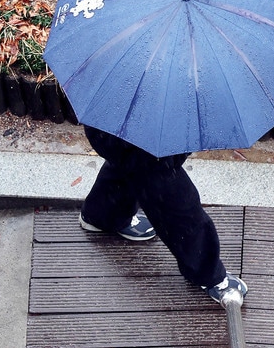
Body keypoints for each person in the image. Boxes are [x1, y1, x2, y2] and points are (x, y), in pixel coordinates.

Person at [79, 125, 245, 304]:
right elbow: (180, 211)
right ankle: (208, 274)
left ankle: (103, 215)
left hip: (111, 126)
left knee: (126, 154)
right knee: (174, 199)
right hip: (154, 144)